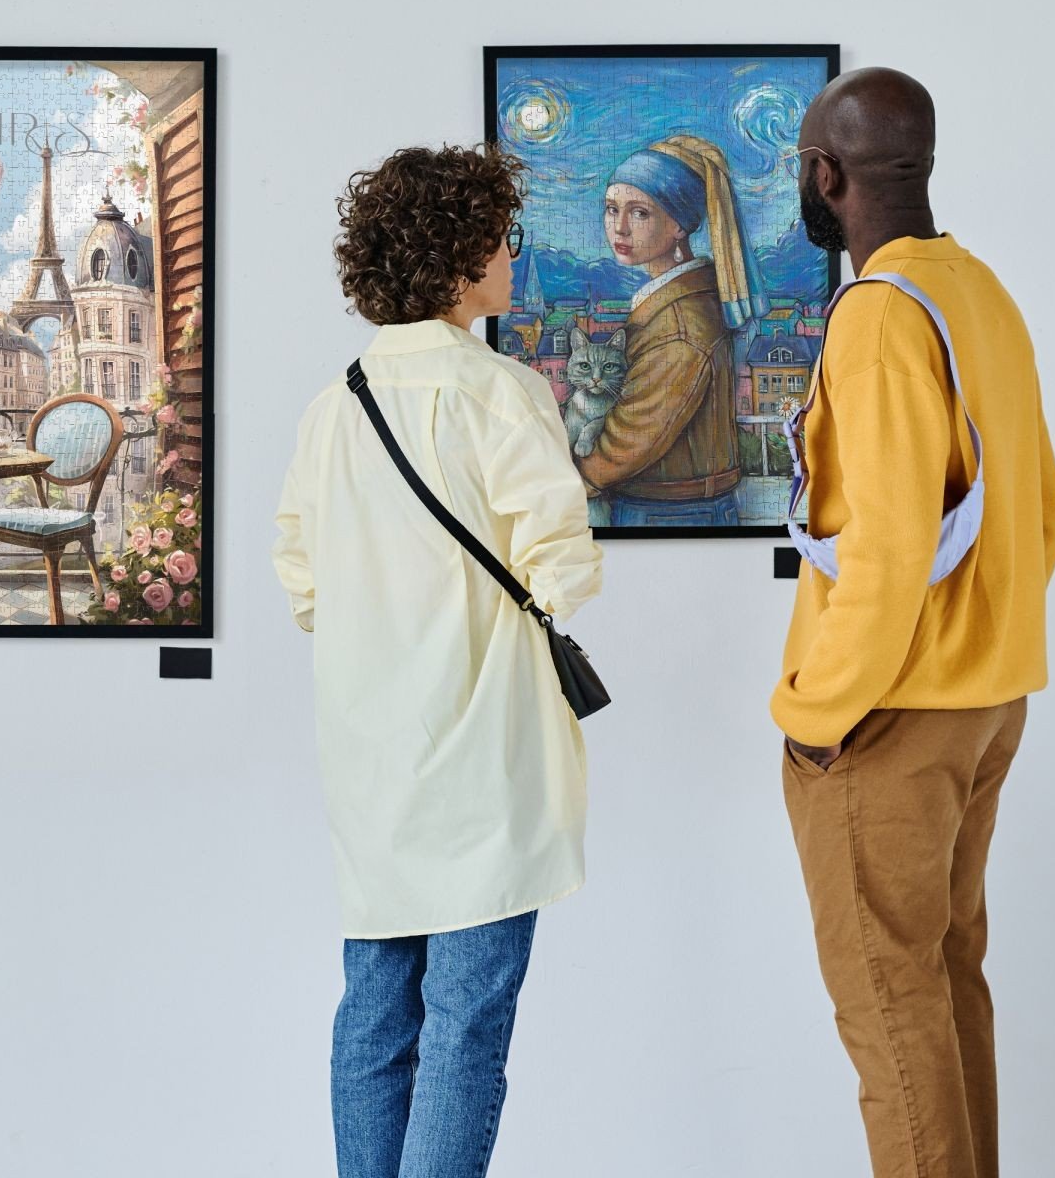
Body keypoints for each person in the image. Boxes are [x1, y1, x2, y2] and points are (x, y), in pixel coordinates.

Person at [272, 143, 602, 1178]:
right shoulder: (502, 392)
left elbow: (302, 580)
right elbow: (563, 569)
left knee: (375, 1008)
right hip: (484, 750)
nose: (511, 254)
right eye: (501, 236)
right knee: (466, 1019)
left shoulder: (334, 404)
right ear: (459, 257)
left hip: (373, 751)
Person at [772, 68, 1055, 1178]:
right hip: (987, 700)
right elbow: (1043, 509)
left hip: (891, 718)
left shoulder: (881, 313)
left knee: (890, 1014)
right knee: (942, 983)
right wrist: (986, 646)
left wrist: (817, 714)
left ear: (826, 175)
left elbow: (891, 551)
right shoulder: (978, 291)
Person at [576, 135, 770, 528]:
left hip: (670, 514)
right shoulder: (678, 300)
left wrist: (575, 479)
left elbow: (633, 435)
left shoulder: (680, 323)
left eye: (640, 213)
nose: (619, 228)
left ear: (680, 224)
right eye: (612, 209)